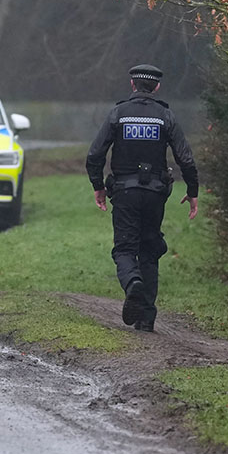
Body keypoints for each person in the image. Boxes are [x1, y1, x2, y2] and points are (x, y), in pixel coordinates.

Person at [86, 63, 199, 332]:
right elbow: (186, 158)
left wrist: (98, 186)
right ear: (157, 87)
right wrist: (192, 191)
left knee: (125, 249)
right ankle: (146, 318)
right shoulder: (165, 116)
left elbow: (94, 155)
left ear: (132, 85)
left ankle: (132, 282)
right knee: (149, 249)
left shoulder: (118, 114)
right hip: (155, 195)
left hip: (124, 193)